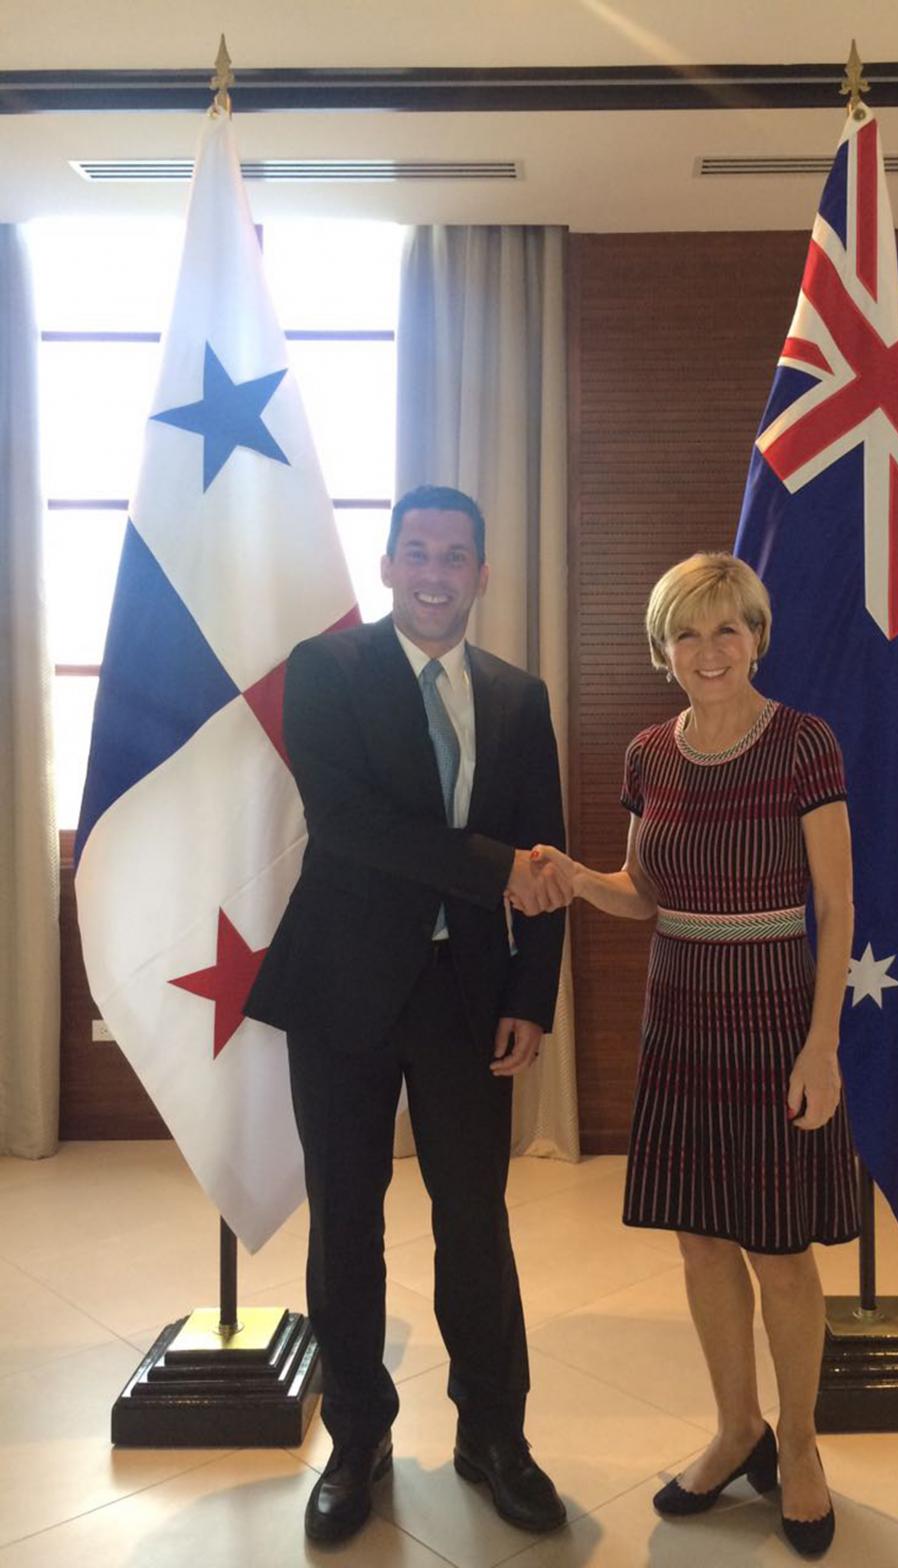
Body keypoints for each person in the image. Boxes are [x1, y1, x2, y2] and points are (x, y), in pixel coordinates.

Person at [246, 484, 570, 1544]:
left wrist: (533, 996)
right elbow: (348, 823)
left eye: (458, 553)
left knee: (476, 1219)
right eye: (417, 549)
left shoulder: (521, 698)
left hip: (468, 998)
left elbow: (549, 861)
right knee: (347, 1221)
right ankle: (358, 1437)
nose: (436, 569)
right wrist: (499, 866)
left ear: (484, 573)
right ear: (388, 565)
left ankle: (495, 1434)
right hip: (341, 983)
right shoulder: (326, 668)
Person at [533, 552, 858, 1560]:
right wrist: (577, 876)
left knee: (779, 1248)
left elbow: (837, 906)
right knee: (701, 1241)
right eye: (688, 631)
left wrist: (821, 1044)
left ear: (757, 635)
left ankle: (799, 1445)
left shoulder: (805, 743)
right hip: (678, 1018)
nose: (709, 651)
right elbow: (645, 892)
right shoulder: (647, 754)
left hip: (772, 1019)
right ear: (662, 646)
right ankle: (736, 1427)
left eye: (728, 629)